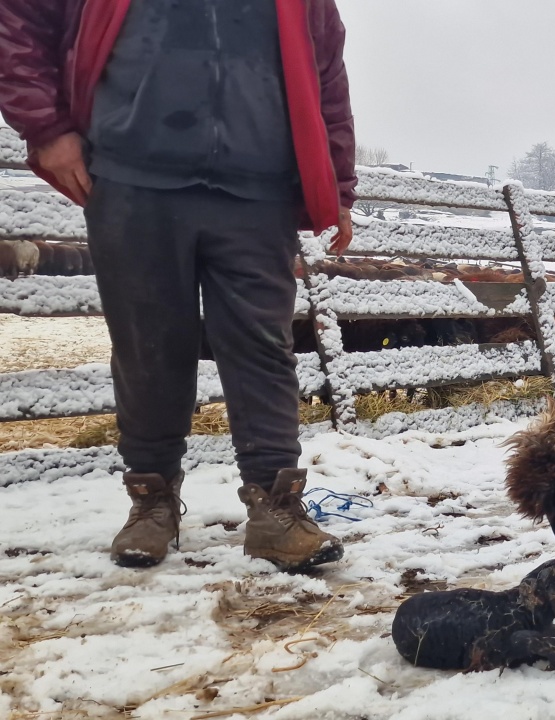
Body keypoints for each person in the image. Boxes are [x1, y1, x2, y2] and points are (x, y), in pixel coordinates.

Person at [0, 0, 358, 571]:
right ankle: (152, 502)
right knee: (149, 346)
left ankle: (277, 507)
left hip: (260, 187)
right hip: (132, 178)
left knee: (264, 347)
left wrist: (336, 179)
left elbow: (327, 73)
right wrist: (46, 127)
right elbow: (18, 22)